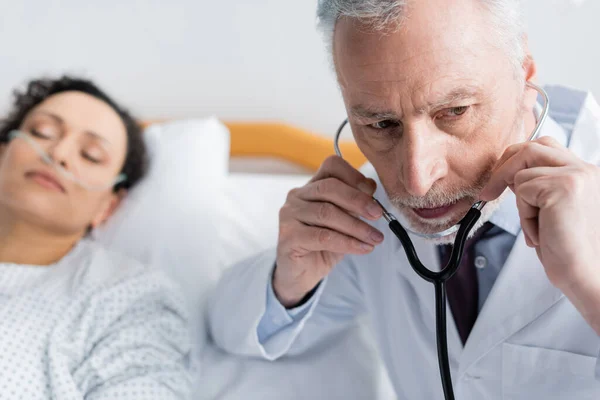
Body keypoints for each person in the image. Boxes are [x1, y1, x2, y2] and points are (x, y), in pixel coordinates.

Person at [209, 0, 600, 398]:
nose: (416, 181)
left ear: (525, 79)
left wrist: (591, 285)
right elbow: (230, 331)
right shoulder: (370, 217)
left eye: (455, 111)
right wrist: (287, 280)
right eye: (381, 124)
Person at [0, 76, 191, 399]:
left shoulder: (127, 299)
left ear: (109, 205)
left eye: (90, 154)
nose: (58, 153)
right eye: (42, 132)